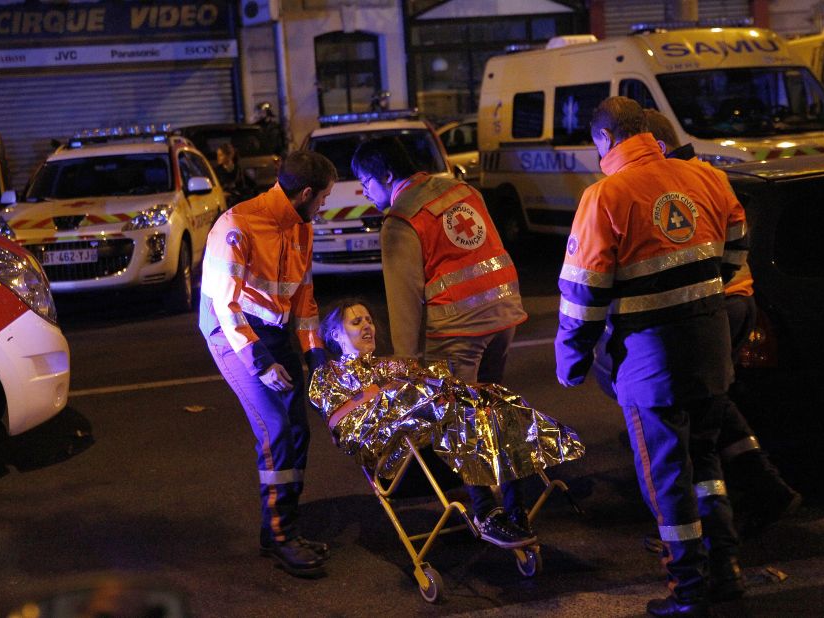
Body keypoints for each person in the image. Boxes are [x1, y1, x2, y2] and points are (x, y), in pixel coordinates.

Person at [555, 96, 748, 617]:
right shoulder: (706, 177)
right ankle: (726, 569)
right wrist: (700, 296)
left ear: (603, 139)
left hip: (650, 364)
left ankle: (687, 589)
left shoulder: (605, 196)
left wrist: (569, 363)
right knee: (705, 464)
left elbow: (583, 293)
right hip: (710, 351)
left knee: (667, 477)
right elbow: (734, 251)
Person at [350, 137, 534, 550]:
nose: (364, 192)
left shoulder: (401, 220)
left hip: (458, 332)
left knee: (462, 422)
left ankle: (486, 511)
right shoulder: (460, 190)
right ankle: (519, 507)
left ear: (387, 177)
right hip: (503, 316)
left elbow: (404, 301)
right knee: (495, 411)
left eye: (365, 182)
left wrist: (407, 366)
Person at [642, 109, 801, 537]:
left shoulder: (673, 180)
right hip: (735, 297)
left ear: (654, 146)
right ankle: (763, 487)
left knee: (700, 417)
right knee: (716, 404)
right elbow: (735, 239)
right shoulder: (704, 174)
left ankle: (728, 516)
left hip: (716, 306)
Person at [199, 150, 336, 578]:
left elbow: (303, 299)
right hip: (231, 331)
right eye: (324, 198)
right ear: (307, 193)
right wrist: (260, 361)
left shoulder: (301, 227)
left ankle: (283, 529)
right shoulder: (237, 226)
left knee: (297, 430)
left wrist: (315, 356)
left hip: (272, 330)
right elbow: (226, 304)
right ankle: (280, 539)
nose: (326, 206)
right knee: (275, 428)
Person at [308, 300, 584, 504]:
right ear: (335, 335)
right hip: (401, 463)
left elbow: (441, 385)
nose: (367, 326)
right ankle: (486, 509)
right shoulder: (330, 377)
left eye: (368, 319)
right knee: (456, 411)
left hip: (439, 449)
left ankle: (514, 512)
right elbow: (350, 433)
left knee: (495, 403)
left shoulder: (394, 365)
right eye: (356, 322)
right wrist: (403, 399)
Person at [215, 142, 256, 206]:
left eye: (221, 155)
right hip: (225, 202)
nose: (218, 158)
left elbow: (250, 185)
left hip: (237, 202)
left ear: (230, 155)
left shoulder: (238, 170)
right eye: (217, 155)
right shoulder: (216, 171)